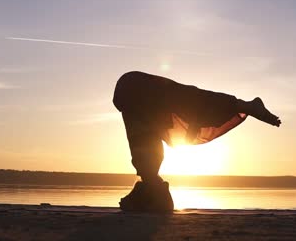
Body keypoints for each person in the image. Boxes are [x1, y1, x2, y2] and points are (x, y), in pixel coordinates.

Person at [113, 71, 281, 212]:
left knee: (180, 109)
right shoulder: (148, 170)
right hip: (132, 90)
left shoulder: (148, 170)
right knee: (178, 112)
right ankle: (243, 105)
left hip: (131, 89)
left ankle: (244, 105)